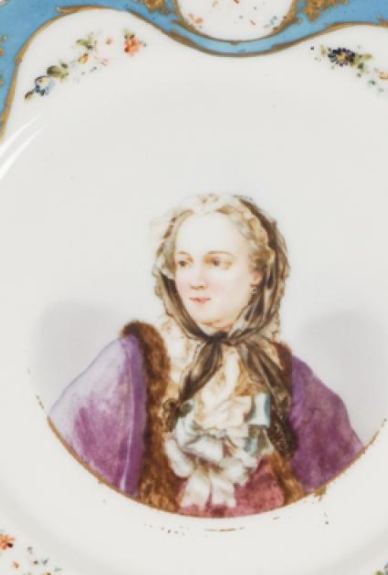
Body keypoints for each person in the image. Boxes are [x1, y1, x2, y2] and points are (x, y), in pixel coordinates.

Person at [49, 193, 363, 517]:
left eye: (216, 263)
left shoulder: (290, 380)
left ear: (257, 273)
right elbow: (56, 476)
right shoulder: (128, 368)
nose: (196, 281)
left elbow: (351, 499)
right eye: (184, 263)